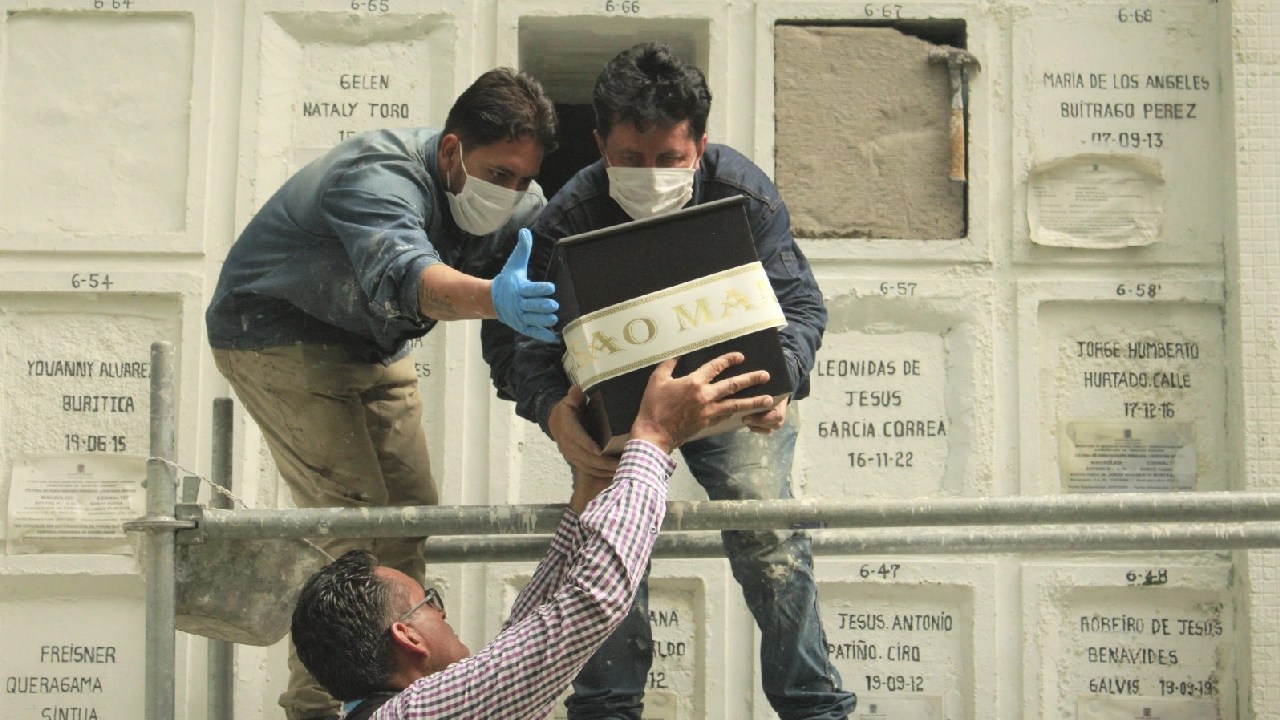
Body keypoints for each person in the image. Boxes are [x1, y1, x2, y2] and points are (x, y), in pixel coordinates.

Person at [512, 43, 856, 719]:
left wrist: (781, 382)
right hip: (621, 410)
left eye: (670, 160)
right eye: (630, 160)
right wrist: (553, 411)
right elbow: (520, 339)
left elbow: (802, 306)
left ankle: (814, 709)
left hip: (733, 397)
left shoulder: (744, 193)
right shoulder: (564, 219)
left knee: (768, 536)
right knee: (612, 548)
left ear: (701, 144)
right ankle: (607, 710)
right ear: (598, 145)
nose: (650, 175)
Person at [205, 68, 560, 720]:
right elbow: (409, 276)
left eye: (520, 178)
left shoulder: (523, 209)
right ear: (452, 151)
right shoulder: (375, 175)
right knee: (353, 533)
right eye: (496, 174)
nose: (507, 192)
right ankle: (317, 712)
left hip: (371, 347)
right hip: (274, 335)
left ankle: (408, 704)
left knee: (410, 521)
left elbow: (538, 306)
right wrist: (494, 301)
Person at [291, 352, 778, 720]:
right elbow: (591, 603)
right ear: (406, 636)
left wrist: (590, 489)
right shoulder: (416, 714)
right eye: (428, 602)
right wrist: (653, 439)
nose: (442, 612)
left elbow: (527, 638)